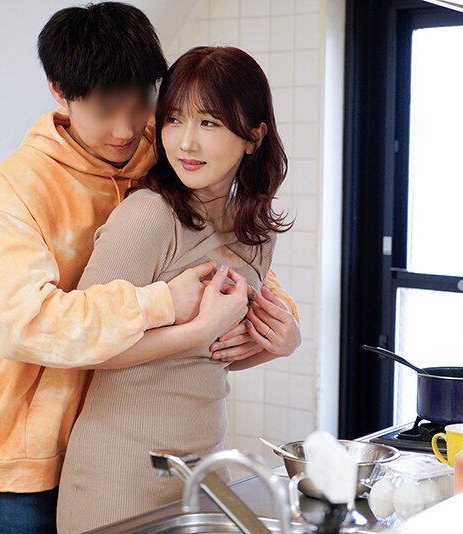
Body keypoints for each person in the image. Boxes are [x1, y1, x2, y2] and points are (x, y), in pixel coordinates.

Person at [0, 4, 298, 534]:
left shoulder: (161, 153)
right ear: (59, 91)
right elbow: (24, 326)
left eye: (140, 105)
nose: (124, 129)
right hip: (26, 456)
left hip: (131, 438)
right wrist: (169, 305)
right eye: (104, 110)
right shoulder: (24, 184)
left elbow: (219, 250)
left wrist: (280, 323)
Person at [56, 46, 302, 534]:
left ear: (253, 137)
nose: (186, 142)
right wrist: (195, 330)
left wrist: (281, 343)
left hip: (204, 470)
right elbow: (82, 347)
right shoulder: (149, 216)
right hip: (119, 476)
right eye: (173, 119)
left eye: (209, 122)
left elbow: (210, 358)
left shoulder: (256, 230)